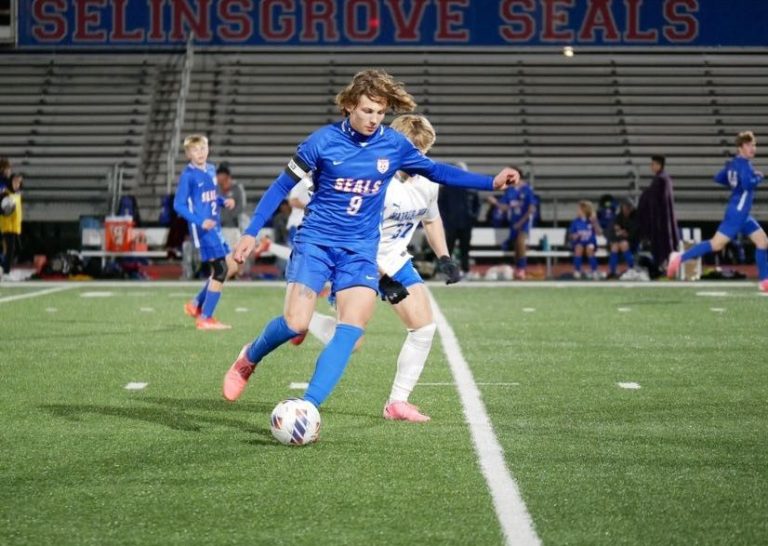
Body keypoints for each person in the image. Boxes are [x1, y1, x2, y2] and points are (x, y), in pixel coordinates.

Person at [221, 69, 520, 410]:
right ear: (349, 106)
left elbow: (437, 171)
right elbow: (280, 187)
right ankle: (249, 356)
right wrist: (251, 231)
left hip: (360, 250)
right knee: (295, 323)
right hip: (316, 242)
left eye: (380, 113)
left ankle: (308, 406)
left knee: (351, 330)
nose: (374, 119)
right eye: (367, 111)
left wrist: (490, 182)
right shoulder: (321, 141)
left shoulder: (392, 145)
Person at [301, 113, 462, 422]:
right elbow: (355, 233)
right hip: (355, 256)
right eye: (414, 152)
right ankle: (305, 322)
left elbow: (431, 218)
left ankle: (397, 402)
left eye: (424, 152)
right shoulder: (374, 181)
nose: (420, 159)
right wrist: (382, 279)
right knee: (354, 341)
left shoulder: (426, 180)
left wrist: (444, 257)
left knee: (424, 328)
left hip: (394, 257)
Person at [668, 131, 767, 291]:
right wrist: (758, 177)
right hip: (738, 213)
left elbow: (719, 177)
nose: (753, 148)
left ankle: (764, 281)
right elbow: (749, 184)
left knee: (762, 241)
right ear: (740, 148)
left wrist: (735, 182)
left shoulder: (734, 163)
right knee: (716, 245)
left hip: (741, 213)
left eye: (754, 145)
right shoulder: (745, 165)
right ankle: (679, 257)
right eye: (749, 145)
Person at [173, 134, 239, 330]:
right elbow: (179, 205)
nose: (200, 153)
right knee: (221, 269)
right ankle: (205, 318)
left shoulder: (211, 169)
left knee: (231, 267)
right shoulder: (188, 176)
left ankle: (195, 304)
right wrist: (200, 221)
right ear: (188, 154)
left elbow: (210, 197)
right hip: (202, 229)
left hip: (215, 227)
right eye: (195, 150)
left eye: (202, 148)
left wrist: (222, 201)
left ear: (208, 149)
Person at [486, 167, 535, 279]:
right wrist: (495, 203)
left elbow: (531, 209)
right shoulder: (511, 191)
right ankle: (518, 269)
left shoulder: (527, 190)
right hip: (513, 225)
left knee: (520, 241)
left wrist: (521, 222)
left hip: (524, 224)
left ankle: (521, 269)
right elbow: (505, 207)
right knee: (516, 247)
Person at [636, 155, 679, 274]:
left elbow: (655, 200)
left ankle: (664, 267)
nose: (651, 166)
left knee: (662, 245)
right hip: (663, 218)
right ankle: (664, 266)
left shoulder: (661, 179)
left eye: (653, 164)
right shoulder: (664, 178)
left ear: (659, 165)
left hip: (660, 220)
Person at [438, 162, 480, 278]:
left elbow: (477, 204)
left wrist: (473, 218)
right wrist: (445, 220)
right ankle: (446, 272)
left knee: (465, 249)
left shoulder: (470, 187)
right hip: (451, 224)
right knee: (447, 249)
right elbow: (441, 206)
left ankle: (465, 271)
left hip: (466, 223)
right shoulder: (446, 188)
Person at [568, 200, 601, 279]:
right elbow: (571, 235)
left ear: (584, 210)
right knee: (578, 248)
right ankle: (577, 271)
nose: (577, 211)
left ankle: (594, 271)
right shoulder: (575, 222)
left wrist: (595, 222)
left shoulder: (591, 221)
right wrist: (575, 236)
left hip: (590, 242)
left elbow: (599, 233)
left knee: (590, 248)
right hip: (579, 242)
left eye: (579, 209)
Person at [608, 198, 637, 278]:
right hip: (619, 239)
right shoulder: (618, 216)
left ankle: (632, 269)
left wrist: (623, 233)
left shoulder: (635, 217)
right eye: (625, 207)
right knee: (615, 246)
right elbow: (614, 231)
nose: (626, 209)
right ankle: (612, 271)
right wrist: (620, 233)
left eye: (629, 207)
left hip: (633, 241)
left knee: (624, 244)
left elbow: (634, 233)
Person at [1, 172, 23, 275]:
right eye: (15, 181)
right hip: (7, 226)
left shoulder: (17, 193)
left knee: (17, 249)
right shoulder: (5, 193)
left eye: (19, 182)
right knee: (10, 249)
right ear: (11, 181)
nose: (17, 184)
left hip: (15, 227)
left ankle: (3, 267)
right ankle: (6, 272)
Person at [216, 163, 248, 231]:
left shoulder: (237, 188)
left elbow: (241, 207)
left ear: (226, 175)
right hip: (219, 223)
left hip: (234, 223)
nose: (217, 177)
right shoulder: (216, 189)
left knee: (243, 218)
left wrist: (229, 217)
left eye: (219, 174)